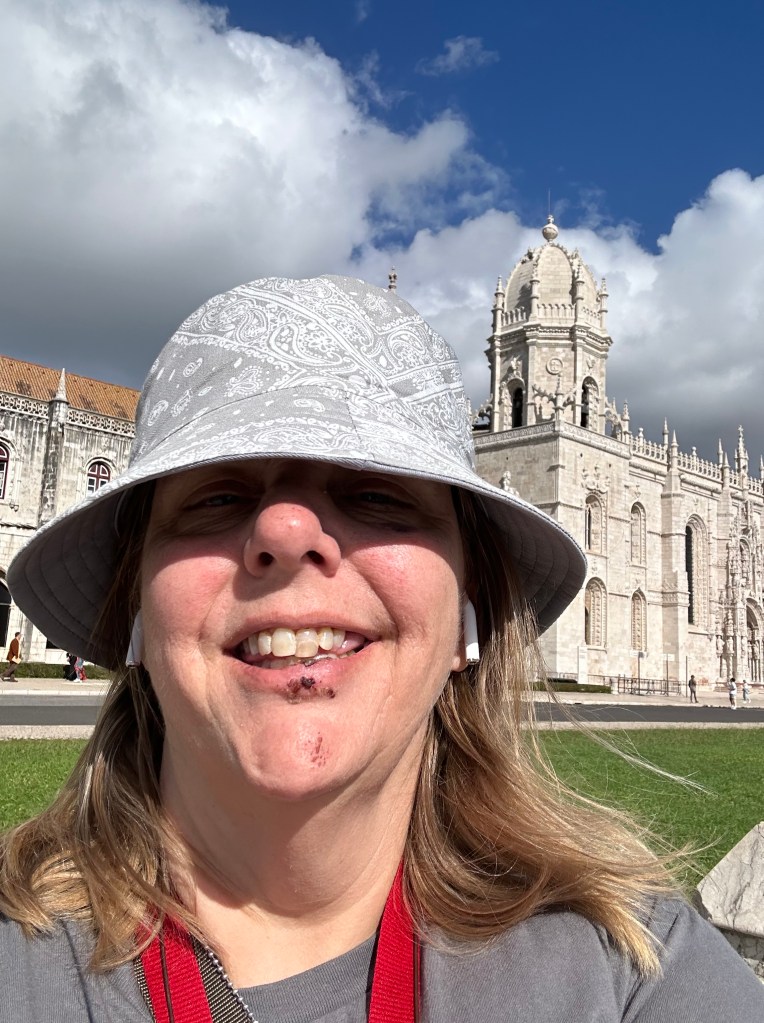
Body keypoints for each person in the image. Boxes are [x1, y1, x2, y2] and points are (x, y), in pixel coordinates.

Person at [2, 276, 762, 1022]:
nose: (287, 532)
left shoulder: (630, 969)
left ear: (468, 606)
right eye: (218, 496)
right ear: (134, 595)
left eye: (376, 494)